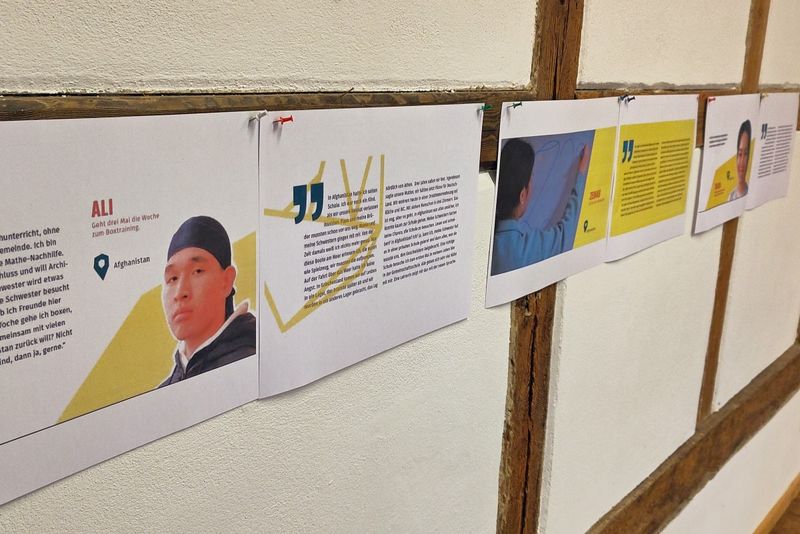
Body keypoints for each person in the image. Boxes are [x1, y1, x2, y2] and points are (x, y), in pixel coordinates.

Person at [159, 216, 256, 387]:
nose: (180, 292)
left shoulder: (252, 363)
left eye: (197, 271)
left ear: (227, 281)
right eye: (172, 278)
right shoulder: (165, 389)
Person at [491, 138, 590, 275]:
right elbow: (565, 233)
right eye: (531, 179)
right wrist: (581, 174)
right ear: (522, 195)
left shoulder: (485, 240)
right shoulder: (525, 250)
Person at [728, 120, 752, 201]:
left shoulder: (752, 192)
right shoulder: (730, 197)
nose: (742, 162)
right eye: (740, 154)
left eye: (746, 154)